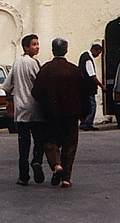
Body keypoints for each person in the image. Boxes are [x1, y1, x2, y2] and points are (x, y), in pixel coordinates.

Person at [32, 37, 88, 188]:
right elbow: (84, 93)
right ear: (66, 50)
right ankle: (66, 178)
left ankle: (56, 165)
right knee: (70, 145)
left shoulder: (46, 69)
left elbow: (36, 92)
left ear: (52, 50)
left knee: (51, 141)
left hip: (51, 114)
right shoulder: (74, 70)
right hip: (71, 114)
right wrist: (85, 113)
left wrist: (46, 105)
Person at [2, 34, 46, 185]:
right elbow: (40, 84)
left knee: (23, 144)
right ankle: (37, 161)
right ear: (26, 47)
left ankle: (23, 175)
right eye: (34, 44)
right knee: (39, 140)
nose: (37, 46)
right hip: (35, 109)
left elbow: (7, 86)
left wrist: (11, 99)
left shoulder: (16, 63)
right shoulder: (34, 63)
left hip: (20, 110)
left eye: (37, 44)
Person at [78, 43, 106, 130]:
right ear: (94, 50)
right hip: (88, 88)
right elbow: (92, 75)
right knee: (92, 105)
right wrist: (102, 86)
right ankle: (88, 123)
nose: (97, 55)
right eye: (98, 53)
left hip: (83, 87)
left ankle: (84, 122)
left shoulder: (83, 56)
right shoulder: (88, 59)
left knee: (85, 105)